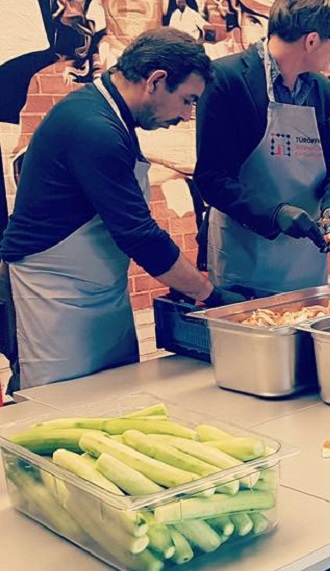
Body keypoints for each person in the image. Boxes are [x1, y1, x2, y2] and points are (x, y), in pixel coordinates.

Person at [0, 28, 242, 393]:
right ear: (155, 81)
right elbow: (140, 236)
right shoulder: (93, 126)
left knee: (113, 396)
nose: (186, 115)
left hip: (98, 289)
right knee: (56, 405)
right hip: (48, 293)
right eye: (187, 100)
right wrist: (208, 293)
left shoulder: (113, 117)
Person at [194, 0, 330, 293]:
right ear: (312, 41)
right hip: (244, 258)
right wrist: (276, 214)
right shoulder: (226, 80)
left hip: (306, 259)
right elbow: (212, 178)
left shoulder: (321, 89)